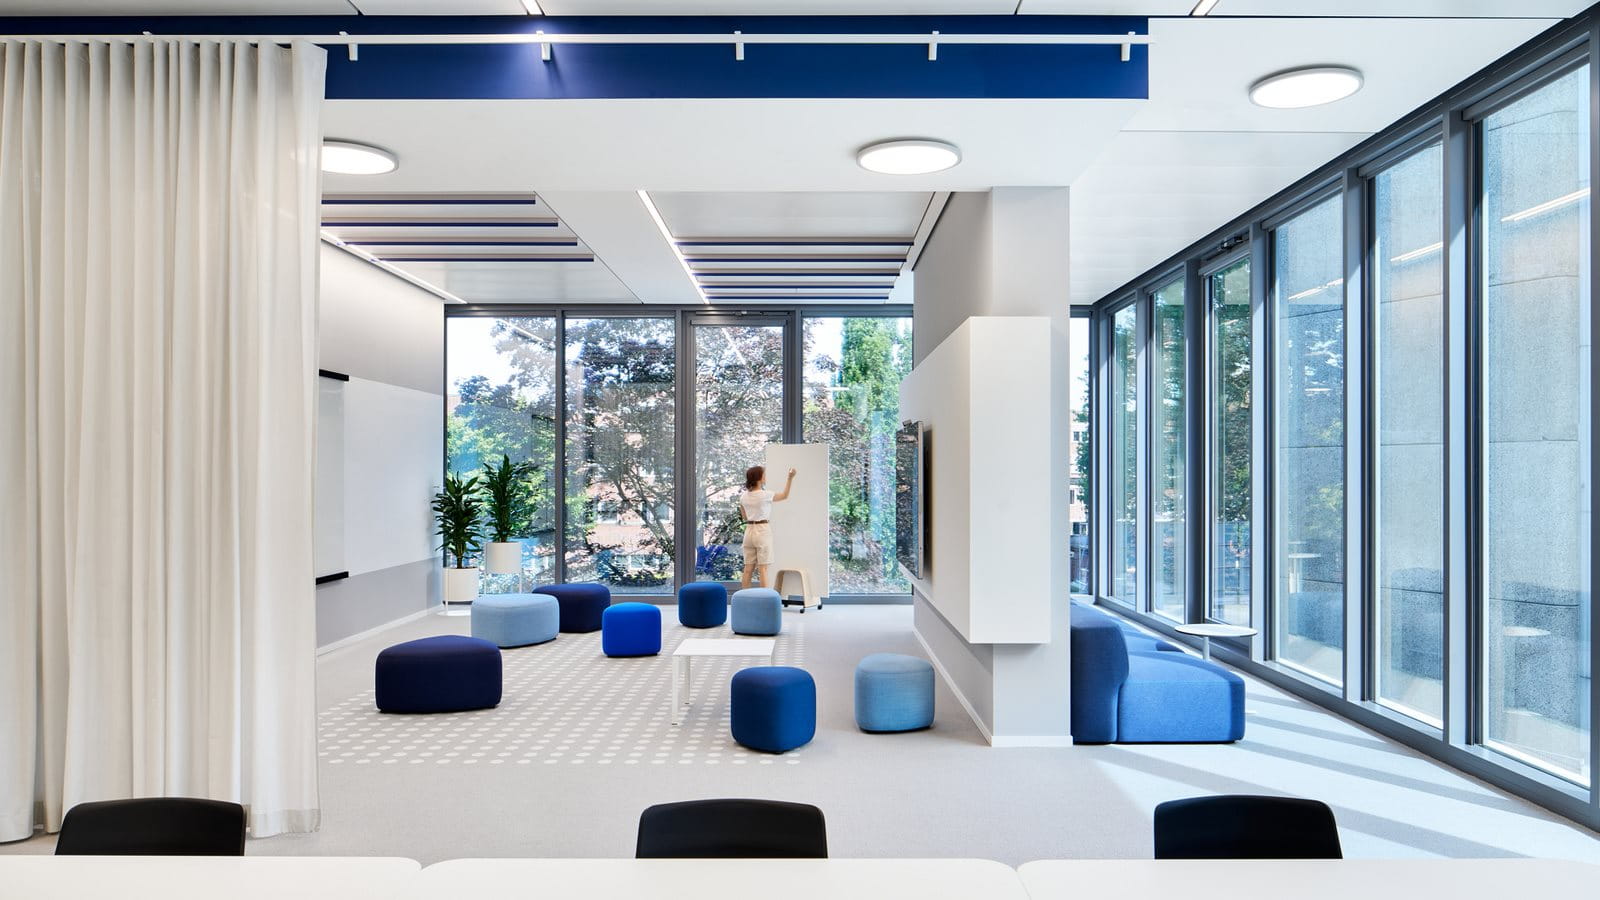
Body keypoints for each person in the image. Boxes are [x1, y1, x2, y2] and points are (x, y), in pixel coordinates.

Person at [739, 464, 796, 590]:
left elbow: (744, 517)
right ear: (759, 478)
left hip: (749, 531)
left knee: (748, 568)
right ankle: (764, 599)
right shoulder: (766, 495)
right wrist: (790, 478)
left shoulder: (743, 497)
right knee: (763, 569)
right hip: (762, 530)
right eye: (764, 475)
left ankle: (744, 598)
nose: (765, 477)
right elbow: (784, 495)